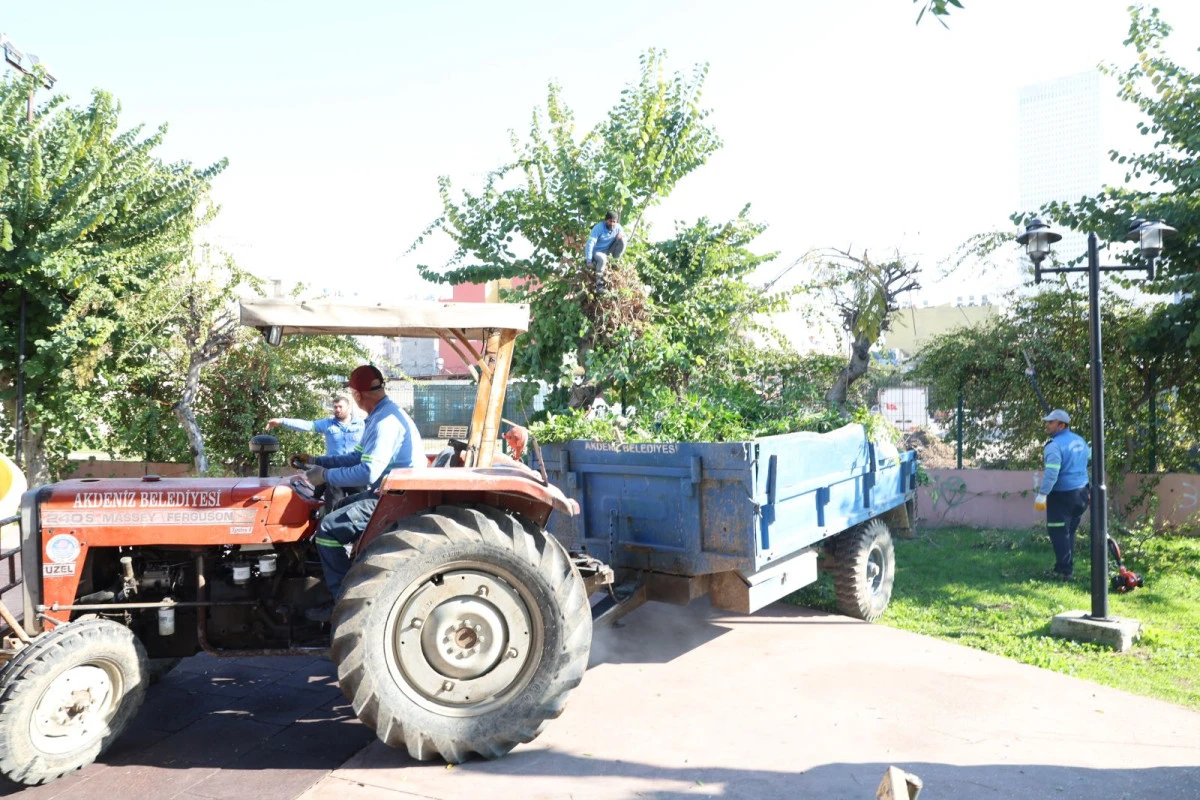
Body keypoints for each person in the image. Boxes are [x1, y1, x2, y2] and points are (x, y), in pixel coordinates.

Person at [296, 365, 425, 621]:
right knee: (331, 512)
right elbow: (357, 456)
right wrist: (317, 460)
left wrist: (324, 476)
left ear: (356, 394)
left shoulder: (384, 422)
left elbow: (367, 472)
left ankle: (343, 604)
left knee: (328, 529)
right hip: (389, 491)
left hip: (396, 497)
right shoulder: (381, 415)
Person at [268, 394, 365, 504]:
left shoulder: (362, 424)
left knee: (360, 506)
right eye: (335, 407)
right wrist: (281, 421)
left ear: (349, 408)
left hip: (355, 472)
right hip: (333, 473)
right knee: (333, 507)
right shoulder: (327, 424)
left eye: (340, 407)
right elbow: (307, 425)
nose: (337, 410)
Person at [1034, 409, 1091, 581]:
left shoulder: (1053, 446)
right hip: (1082, 493)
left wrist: (1043, 494)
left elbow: (1052, 473)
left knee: (1058, 532)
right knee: (1069, 532)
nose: (1047, 425)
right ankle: (1065, 568)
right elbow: (1088, 459)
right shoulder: (1080, 441)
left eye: (1051, 422)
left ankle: (1064, 572)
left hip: (1062, 496)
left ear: (1061, 425)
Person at [585, 210, 626, 288]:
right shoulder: (598, 228)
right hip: (597, 252)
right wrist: (589, 261)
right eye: (610, 221)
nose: (612, 224)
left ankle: (615, 262)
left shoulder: (618, 227)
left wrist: (621, 235)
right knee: (603, 259)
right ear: (606, 220)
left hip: (609, 250)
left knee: (623, 240)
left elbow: (623, 236)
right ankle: (599, 283)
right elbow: (590, 243)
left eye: (614, 222)